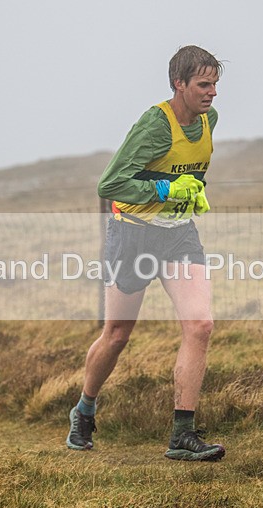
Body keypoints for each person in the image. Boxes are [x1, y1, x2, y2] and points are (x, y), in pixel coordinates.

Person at [66, 45, 225, 461]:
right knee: (117, 335)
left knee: (201, 326)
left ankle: (182, 435)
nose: (211, 93)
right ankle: (84, 410)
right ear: (180, 84)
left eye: (215, 85)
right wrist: (164, 191)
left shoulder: (209, 120)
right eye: (203, 85)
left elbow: (186, 169)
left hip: (178, 236)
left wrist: (192, 195)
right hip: (132, 235)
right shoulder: (155, 124)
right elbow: (110, 184)